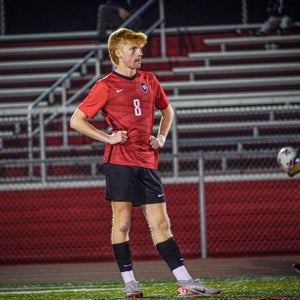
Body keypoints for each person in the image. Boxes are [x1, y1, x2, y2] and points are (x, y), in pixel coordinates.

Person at [70, 28, 221, 298]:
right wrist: (108, 138)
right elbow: (76, 120)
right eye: (133, 49)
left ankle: (186, 282)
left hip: (148, 163)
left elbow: (168, 111)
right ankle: (130, 283)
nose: (140, 53)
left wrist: (161, 137)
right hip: (120, 163)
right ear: (118, 53)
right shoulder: (105, 85)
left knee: (161, 224)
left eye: (140, 48)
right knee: (123, 223)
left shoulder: (150, 80)